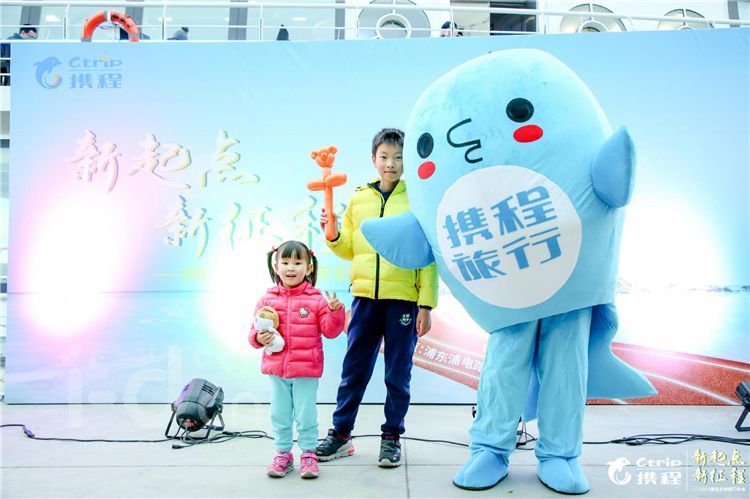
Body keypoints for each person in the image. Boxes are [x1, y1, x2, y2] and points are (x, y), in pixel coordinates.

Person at [315, 128, 439, 468]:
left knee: (397, 374)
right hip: (365, 298)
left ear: (406, 160)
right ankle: (341, 435)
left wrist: (426, 304)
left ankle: (391, 437)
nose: (391, 164)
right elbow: (349, 249)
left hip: (403, 300)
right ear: (374, 159)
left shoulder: (418, 199)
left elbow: (427, 255)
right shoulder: (359, 199)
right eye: (384, 157)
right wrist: (332, 233)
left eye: (398, 157)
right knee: (353, 370)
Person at [249, 240, 346, 479]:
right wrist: (259, 338)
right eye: (285, 262)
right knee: (279, 414)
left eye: (297, 262)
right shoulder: (266, 300)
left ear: (309, 267)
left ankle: (309, 454)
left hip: (306, 369)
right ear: (276, 266)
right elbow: (253, 334)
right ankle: (283, 454)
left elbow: (330, 331)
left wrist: (335, 312)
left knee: (306, 415)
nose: (290, 268)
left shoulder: (317, 300)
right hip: (277, 369)